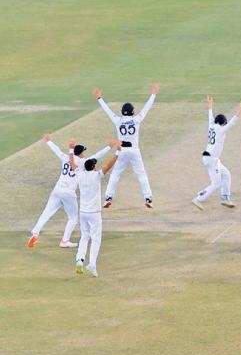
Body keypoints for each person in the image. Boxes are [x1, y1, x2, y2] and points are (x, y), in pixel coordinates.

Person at [28, 135, 110, 249]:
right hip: (69, 193)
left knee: (46, 212)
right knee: (73, 218)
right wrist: (109, 147)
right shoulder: (83, 162)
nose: (84, 154)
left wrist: (48, 141)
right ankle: (64, 241)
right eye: (83, 152)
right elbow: (98, 155)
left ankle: (35, 233)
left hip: (57, 189)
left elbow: (56, 150)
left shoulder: (65, 157)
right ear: (80, 153)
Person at [93, 83, 159, 208]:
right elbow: (146, 108)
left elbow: (108, 111)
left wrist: (99, 98)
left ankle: (108, 198)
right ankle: (148, 198)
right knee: (141, 175)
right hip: (134, 151)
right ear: (132, 112)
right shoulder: (136, 119)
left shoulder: (118, 121)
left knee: (115, 175)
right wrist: (153, 94)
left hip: (121, 151)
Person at [71, 139, 122, 277]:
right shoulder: (96, 175)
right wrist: (118, 152)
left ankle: (79, 260)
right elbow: (108, 165)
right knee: (96, 238)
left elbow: (72, 163)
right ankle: (92, 264)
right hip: (94, 213)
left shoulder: (80, 174)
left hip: (83, 212)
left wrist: (71, 150)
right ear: (93, 167)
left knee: (84, 237)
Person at [192, 96, 241, 210]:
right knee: (216, 183)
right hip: (211, 159)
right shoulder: (221, 130)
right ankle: (198, 199)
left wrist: (210, 104)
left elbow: (210, 115)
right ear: (222, 124)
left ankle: (225, 197)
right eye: (224, 124)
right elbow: (232, 123)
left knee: (226, 175)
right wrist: (240, 109)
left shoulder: (211, 125)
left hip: (211, 158)